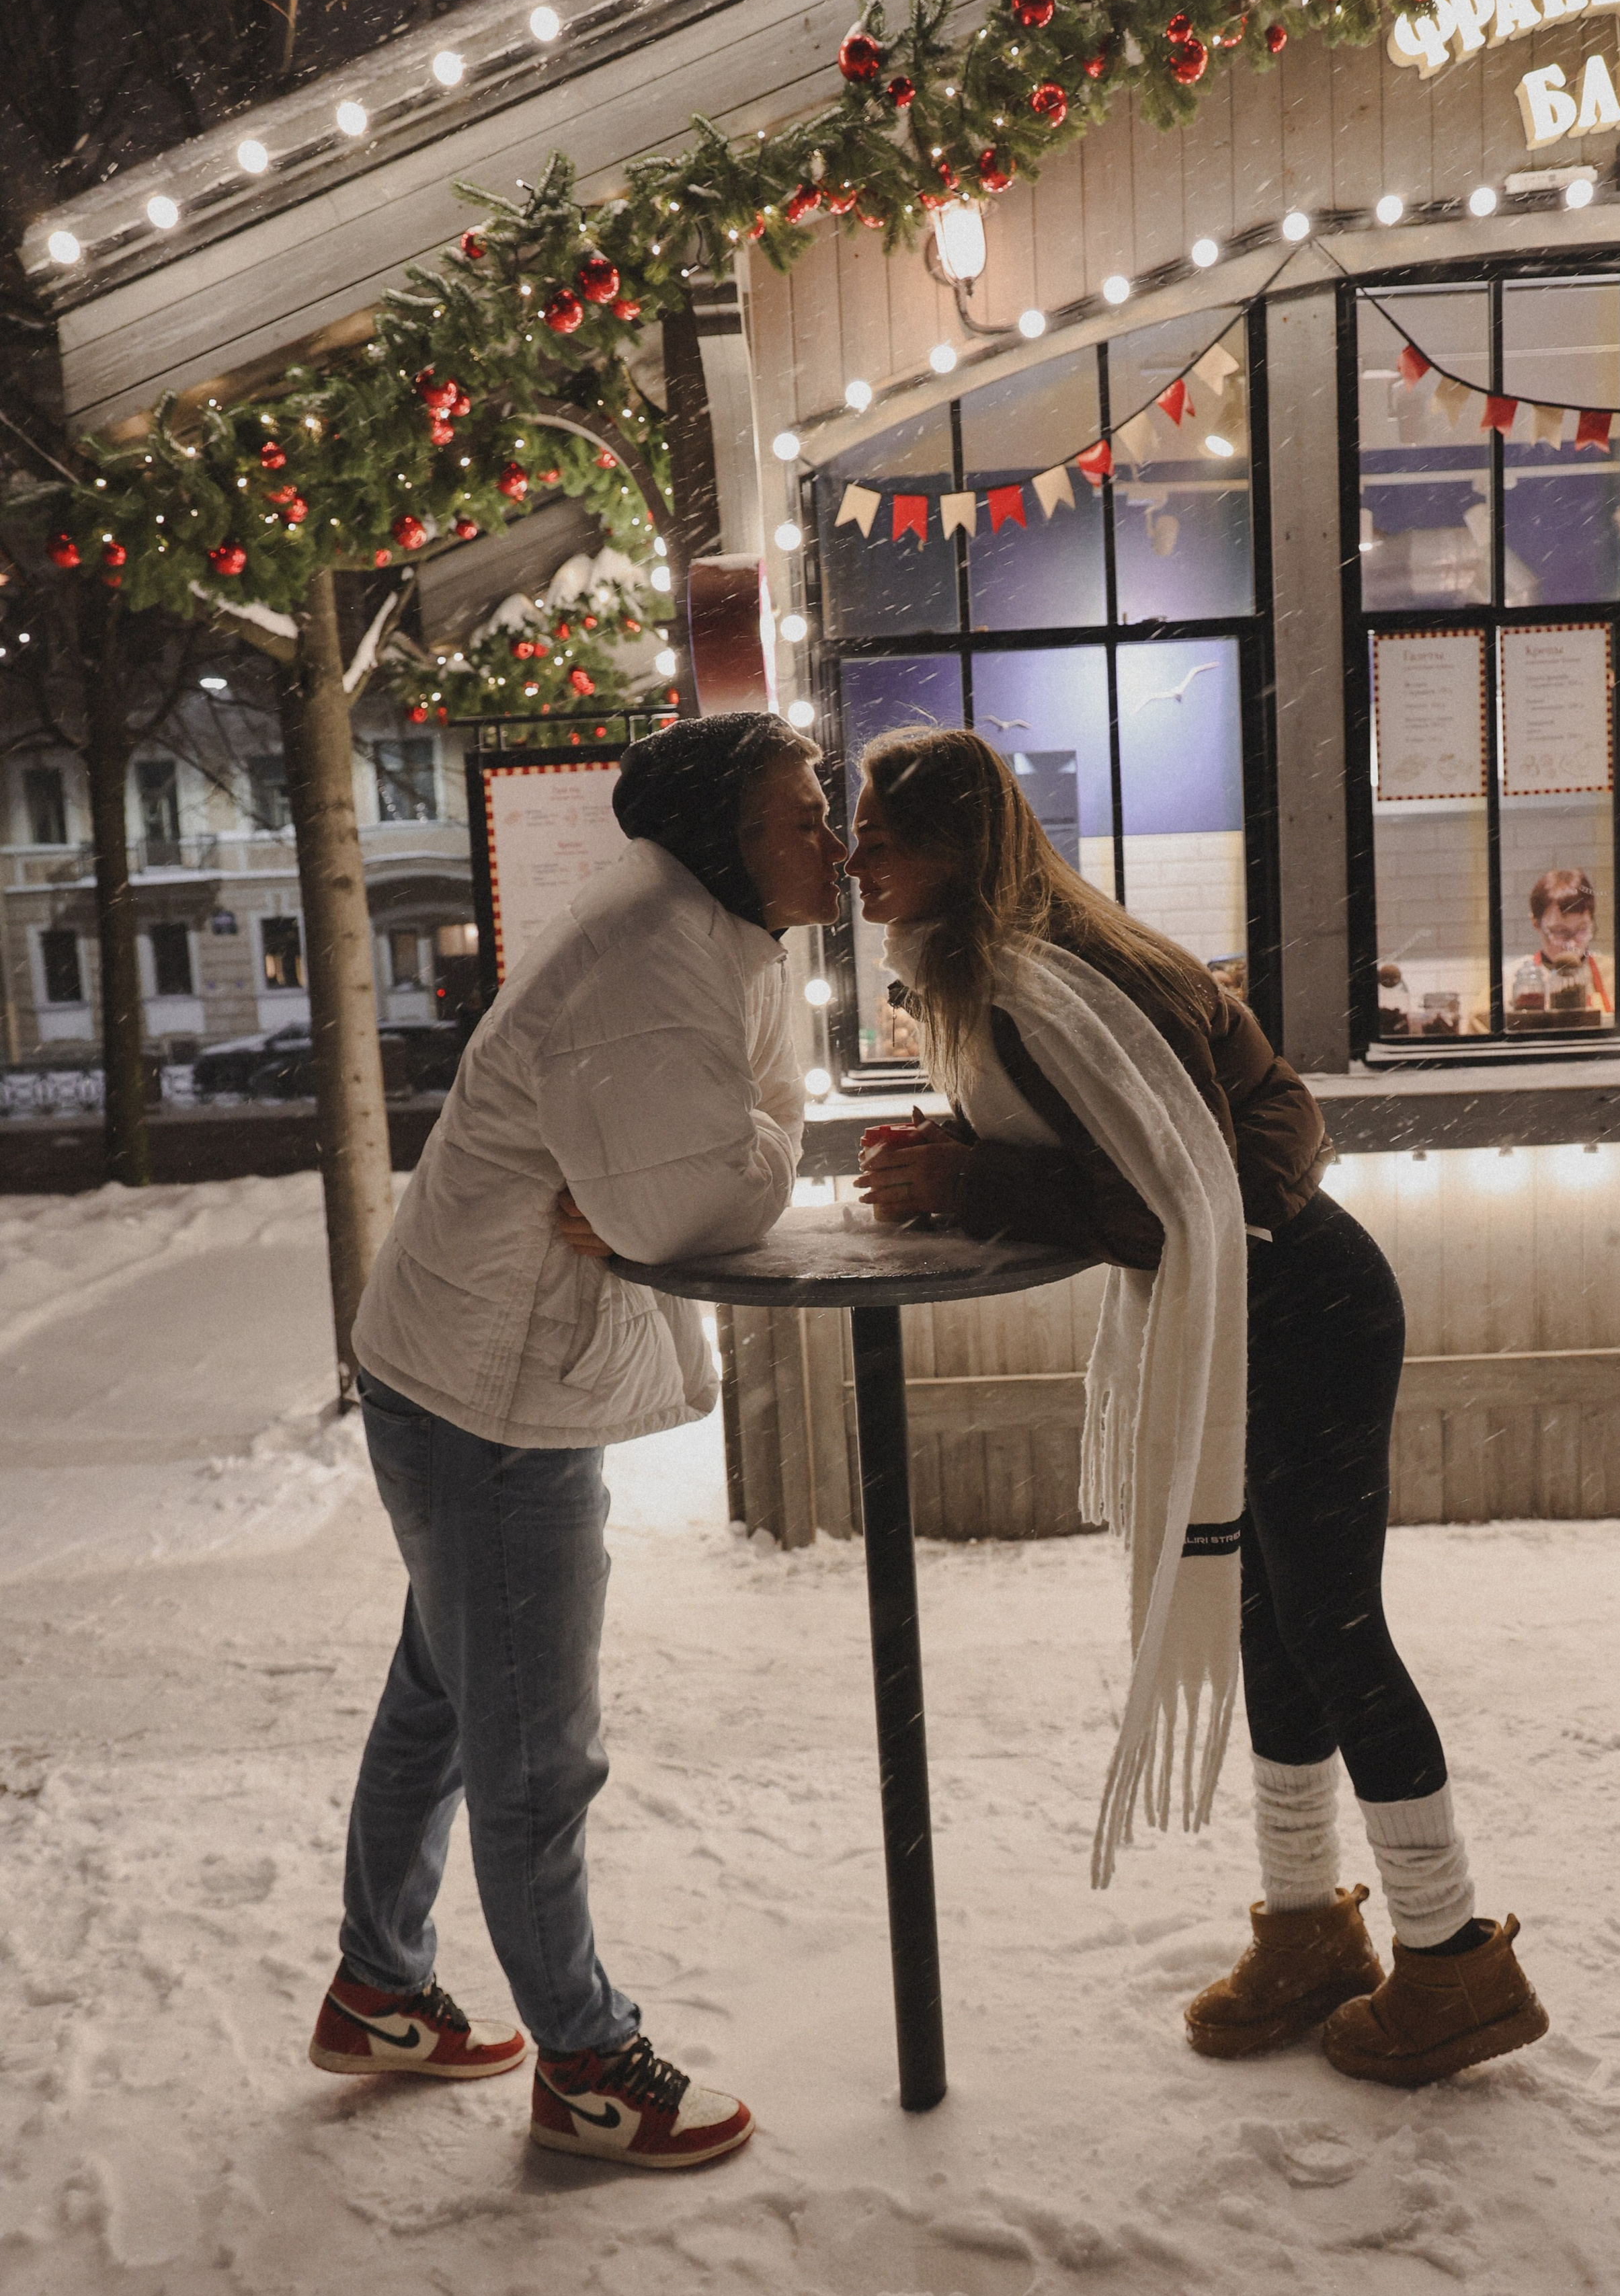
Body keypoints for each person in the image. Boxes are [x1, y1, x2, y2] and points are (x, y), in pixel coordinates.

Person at [849, 727, 1547, 2090]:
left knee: (1333, 1633)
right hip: (1249, 1311)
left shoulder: (1055, 979)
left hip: (1303, 1313)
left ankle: (1454, 1957)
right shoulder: (997, 971)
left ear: (952, 847)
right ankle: (1307, 1931)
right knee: (1269, 1628)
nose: (857, 858)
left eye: (878, 833)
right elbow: (1188, 1153)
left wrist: (968, 1185)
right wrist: (955, 1157)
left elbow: (1206, 1181)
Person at [309, 713, 846, 2168]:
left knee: (444, 1685)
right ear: (722, 834)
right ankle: (588, 2064)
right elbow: (696, 1206)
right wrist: (690, 1176)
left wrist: (698, 1168)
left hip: (459, 1365)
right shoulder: (653, 952)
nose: (831, 834)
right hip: (485, 1394)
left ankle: (378, 1988)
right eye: (803, 812)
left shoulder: (705, 929)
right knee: (534, 1745)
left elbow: (736, 1146)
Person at [1506, 868, 1612, 1028]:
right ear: (1536, 924)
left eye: (1582, 930)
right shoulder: (1510, 981)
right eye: (1559, 932)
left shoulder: (1616, 976)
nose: (1571, 944)